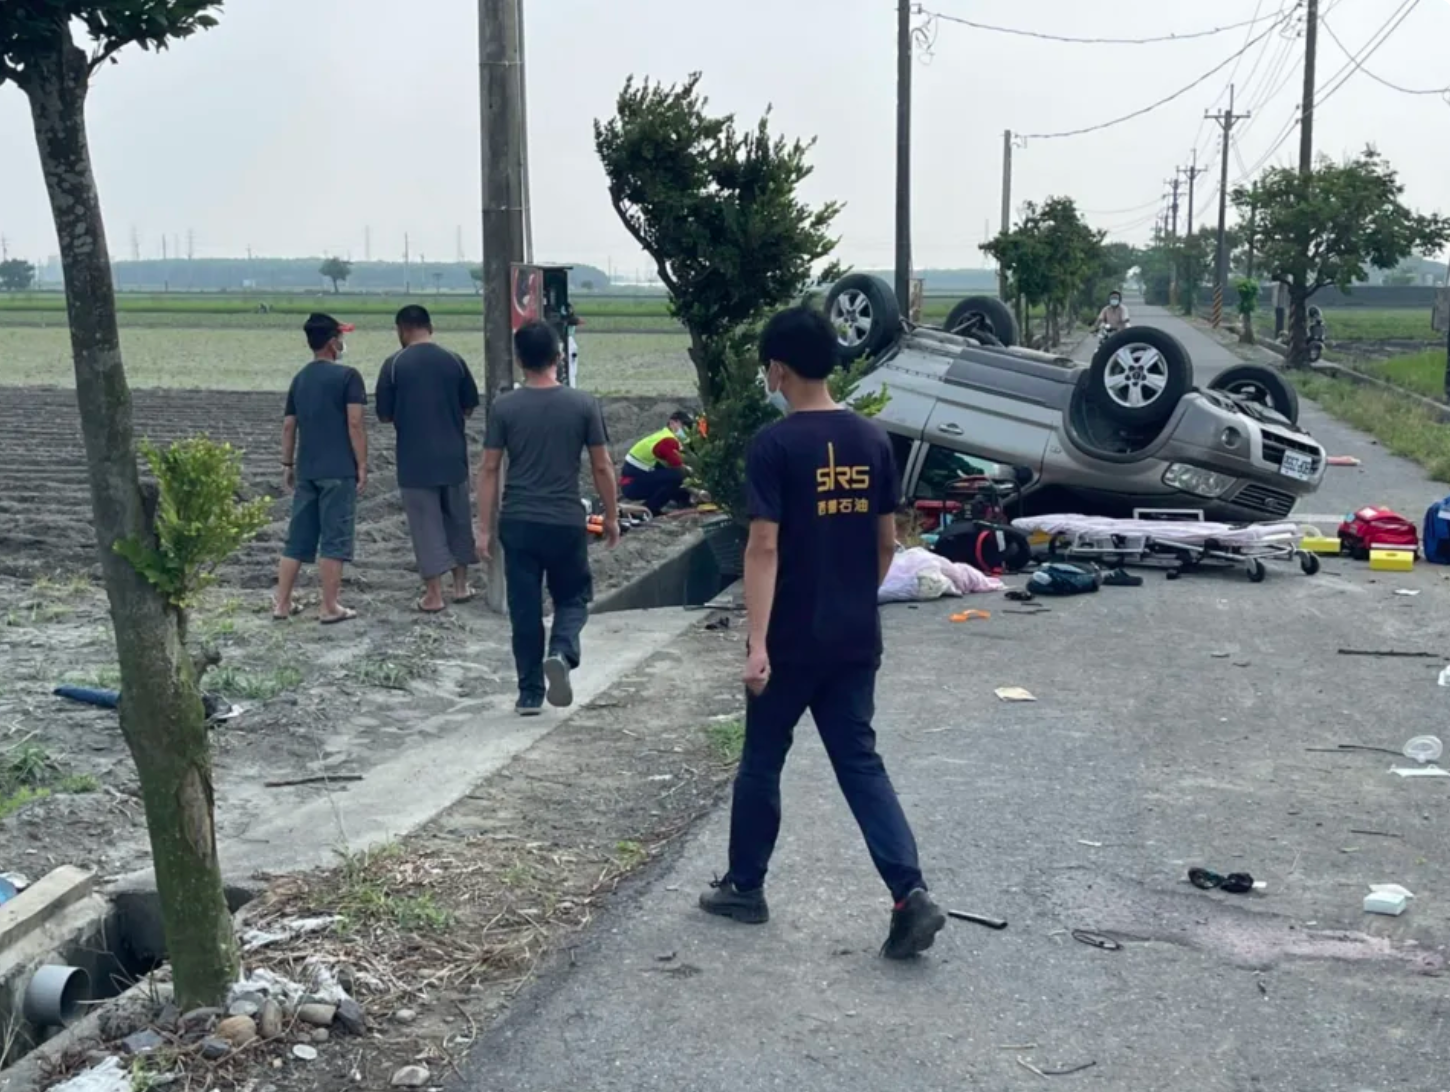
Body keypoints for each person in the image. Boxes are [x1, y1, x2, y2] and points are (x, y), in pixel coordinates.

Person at [697, 305, 945, 960]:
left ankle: (745, 887)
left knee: (762, 759)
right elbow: (887, 543)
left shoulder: (774, 446)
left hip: (790, 638)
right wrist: (853, 598)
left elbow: (763, 546)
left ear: (778, 369)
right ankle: (909, 892)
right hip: (854, 635)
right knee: (860, 763)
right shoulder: (871, 440)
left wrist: (757, 643)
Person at [476, 321, 620, 717]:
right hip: (565, 520)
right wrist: (610, 516)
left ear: (519, 359)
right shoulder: (583, 405)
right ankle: (561, 651)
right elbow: (602, 466)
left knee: (524, 608)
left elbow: (489, 469)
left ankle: (529, 694)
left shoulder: (504, 407)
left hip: (518, 521)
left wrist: (484, 528)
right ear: (559, 357)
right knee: (573, 597)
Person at [376, 305, 481, 613]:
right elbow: (469, 405)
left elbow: (384, 415)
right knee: (458, 520)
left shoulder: (394, 365)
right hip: (453, 456)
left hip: (415, 459)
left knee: (426, 526)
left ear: (402, 329)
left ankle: (434, 595)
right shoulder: (454, 360)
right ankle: (461, 586)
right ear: (430, 327)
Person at [274, 313, 368, 625]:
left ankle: (282, 604)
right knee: (334, 540)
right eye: (340, 337)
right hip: (338, 470)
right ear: (331, 343)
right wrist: (362, 463)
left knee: (297, 539)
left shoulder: (300, 379)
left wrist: (288, 464)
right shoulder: (349, 377)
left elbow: (289, 426)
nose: (343, 342)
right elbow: (355, 423)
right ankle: (329, 607)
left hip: (307, 469)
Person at [619, 410, 695, 515]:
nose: (687, 429)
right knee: (678, 475)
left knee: (670, 474)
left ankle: (682, 499)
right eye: (684, 425)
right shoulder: (668, 440)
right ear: (672, 423)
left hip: (633, 481)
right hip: (632, 484)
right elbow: (678, 466)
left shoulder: (662, 436)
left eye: (689, 427)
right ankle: (649, 508)